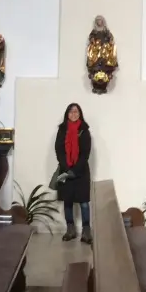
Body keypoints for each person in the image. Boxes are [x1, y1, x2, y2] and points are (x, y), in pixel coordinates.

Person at [54, 103, 92, 243]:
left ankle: (86, 232)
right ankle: (70, 230)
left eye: (76, 112)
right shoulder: (62, 129)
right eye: (71, 112)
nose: (73, 114)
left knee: (83, 203)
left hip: (81, 172)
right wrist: (66, 167)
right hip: (65, 171)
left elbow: (85, 153)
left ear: (80, 113)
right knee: (68, 201)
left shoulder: (84, 130)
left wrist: (75, 170)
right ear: (67, 114)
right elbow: (58, 149)